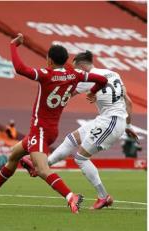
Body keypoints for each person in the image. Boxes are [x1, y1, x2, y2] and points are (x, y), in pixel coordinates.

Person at [0, 33, 107, 214]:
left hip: (41, 130)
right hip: (49, 129)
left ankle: (70, 196)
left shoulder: (46, 75)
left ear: (50, 61)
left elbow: (20, 68)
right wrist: (93, 92)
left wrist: (14, 46)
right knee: (14, 155)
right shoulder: (74, 74)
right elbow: (102, 80)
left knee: (42, 169)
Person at [22, 50, 138, 209]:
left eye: (77, 69)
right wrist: (128, 125)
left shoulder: (86, 79)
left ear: (82, 66)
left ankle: (103, 196)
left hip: (110, 122)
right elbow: (129, 102)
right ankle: (42, 165)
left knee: (81, 158)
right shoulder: (114, 73)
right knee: (71, 139)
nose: (75, 72)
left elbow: (64, 92)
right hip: (108, 120)